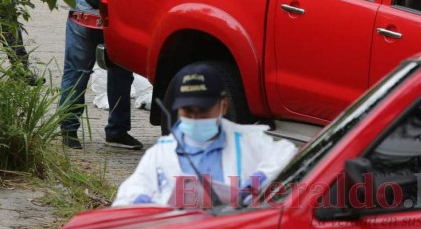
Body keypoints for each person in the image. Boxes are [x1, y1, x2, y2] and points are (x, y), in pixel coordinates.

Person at [59, 0, 189, 149]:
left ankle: (117, 132)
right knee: (79, 68)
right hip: (90, 5)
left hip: (120, 12)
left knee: (121, 69)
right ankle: (68, 128)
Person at [112, 62, 297, 207]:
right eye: (187, 110)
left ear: (223, 105)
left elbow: (287, 153)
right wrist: (139, 203)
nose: (195, 117)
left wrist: (259, 181)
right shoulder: (160, 154)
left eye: (203, 110)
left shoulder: (248, 141)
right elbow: (127, 198)